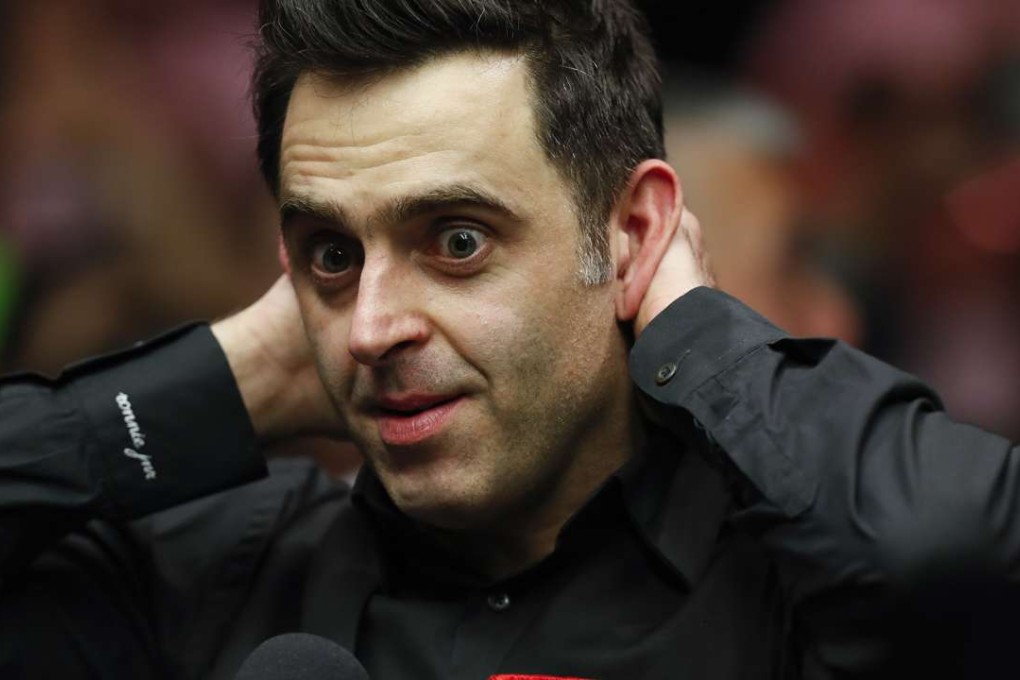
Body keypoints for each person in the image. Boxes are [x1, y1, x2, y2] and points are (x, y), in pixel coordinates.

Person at [1, 1, 1018, 678]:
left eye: (455, 238)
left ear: (628, 234)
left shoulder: (792, 586)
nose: (370, 328)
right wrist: (229, 379)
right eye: (329, 253)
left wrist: (693, 332)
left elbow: (951, 552)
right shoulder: (217, 580)